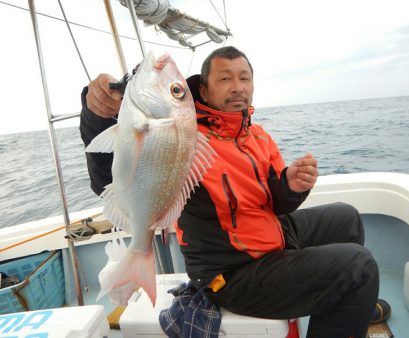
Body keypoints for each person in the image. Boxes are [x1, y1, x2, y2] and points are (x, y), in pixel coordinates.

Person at [80, 46, 382, 337]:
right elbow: (112, 171)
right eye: (225, 78)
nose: (237, 86)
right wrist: (97, 114)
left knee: (346, 217)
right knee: (359, 267)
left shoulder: (256, 135)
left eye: (244, 77)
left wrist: (290, 186)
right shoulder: (185, 135)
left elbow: (277, 204)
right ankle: (351, 294)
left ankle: (350, 309)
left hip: (266, 235)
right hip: (232, 272)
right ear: (203, 91)